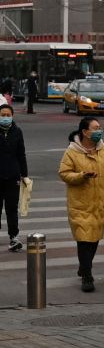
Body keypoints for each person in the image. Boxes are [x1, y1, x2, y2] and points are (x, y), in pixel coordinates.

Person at [58, 117, 104, 292]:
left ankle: (84, 265)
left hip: (100, 203)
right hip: (80, 204)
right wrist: (81, 175)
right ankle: (87, 276)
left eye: (100, 127)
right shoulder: (72, 152)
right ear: (84, 132)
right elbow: (64, 173)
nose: (99, 130)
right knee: (84, 239)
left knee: (94, 239)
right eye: (95, 128)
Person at [0, 102, 28, 251]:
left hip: (12, 176)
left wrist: (24, 175)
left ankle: (13, 237)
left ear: (12, 116)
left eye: (8, 115)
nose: (5, 117)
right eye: (3, 115)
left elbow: (21, 154)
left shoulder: (17, 131)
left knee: (12, 209)